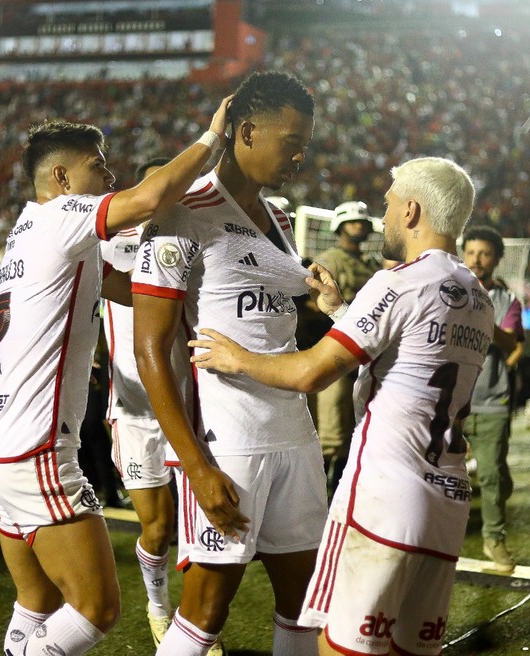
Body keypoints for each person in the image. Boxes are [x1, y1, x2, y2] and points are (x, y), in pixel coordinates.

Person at [188, 156, 494, 656]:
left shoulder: (397, 282)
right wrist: (338, 312)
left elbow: (310, 372)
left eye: (390, 206)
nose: (386, 217)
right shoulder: (477, 295)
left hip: (387, 496)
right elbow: (411, 353)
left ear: (413, 211)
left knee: (341, 650)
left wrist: (237, 357)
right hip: (447, 499)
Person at [0, 97, 232, 656]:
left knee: (36, 603)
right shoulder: (61, 218)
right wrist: (212, 138)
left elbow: (127, 287)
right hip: (36, 448)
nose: (110, 174)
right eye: (99, 164)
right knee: (98, 608)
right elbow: (151, 196)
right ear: (62, 178)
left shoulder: (28, 231)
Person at [132, 70, 325, 656]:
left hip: (295, 433)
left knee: (305, 602)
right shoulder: (181, 214)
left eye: (306, 145)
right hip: (227, 443)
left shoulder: (284, 220)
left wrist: (322, 299)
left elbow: (273, 322)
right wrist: (194, 467)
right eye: (291, 142)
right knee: (205, 614)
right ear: (245, 131)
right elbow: (151, 350)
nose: (300, 155)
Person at [100, 155, 208, 649]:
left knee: (196, 528)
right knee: (158, 527)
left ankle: (194, 623)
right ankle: (159, 606)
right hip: (134, 408)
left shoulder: (190, 235)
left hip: (187, 402)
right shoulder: (106, 240)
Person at [460, 225, 523, 572]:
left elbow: (511, 343)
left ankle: (494, 539)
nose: (477, 260)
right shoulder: (448, 291)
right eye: (470, 253)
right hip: (450, 401)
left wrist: (484, 316)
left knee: (491, 477)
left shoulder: (507, 300)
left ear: (497, 259)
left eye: (484, 254)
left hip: (491, 400)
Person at [312, 200, 382, 494]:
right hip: (337, 349)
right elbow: (313, 303)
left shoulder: (372, 264)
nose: (359, 226)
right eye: (353, 222)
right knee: (332, 429)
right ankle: (322, 490)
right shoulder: (329, 259)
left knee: (359, 425)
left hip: (367, 351)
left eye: (363, 222)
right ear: (339, 226)